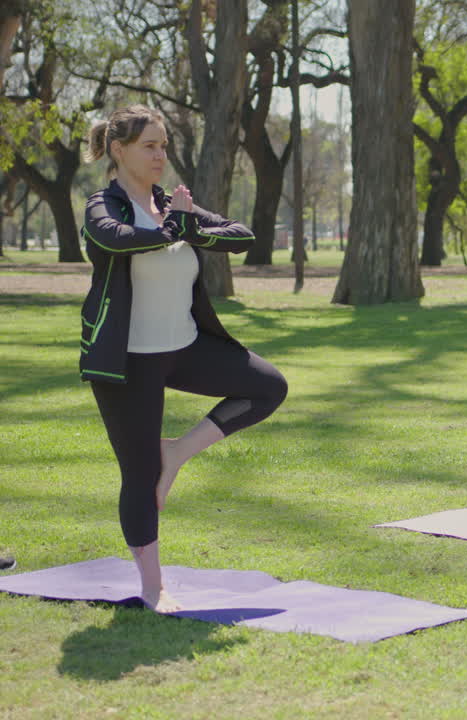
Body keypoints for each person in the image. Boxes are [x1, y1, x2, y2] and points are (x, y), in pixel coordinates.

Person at [80, 105, 288, 613]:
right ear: (118, 150)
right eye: (149, 145)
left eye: (164, 145)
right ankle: (153, 588)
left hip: (187, 348)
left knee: (268, 386)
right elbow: (117, 239)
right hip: (126, 361)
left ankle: (177, 452)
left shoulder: (173, 206)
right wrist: (178, 223)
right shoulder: (101, 206)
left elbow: (242, 236)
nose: (160, 155)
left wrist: (188, 225)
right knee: (138, 474)